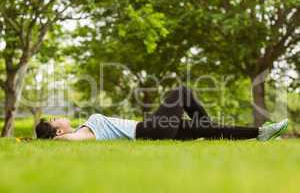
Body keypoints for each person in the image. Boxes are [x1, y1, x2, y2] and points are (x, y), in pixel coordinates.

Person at [35, 86, 288, 141]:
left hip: (156, 127)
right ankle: (207, 127)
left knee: (210, 128)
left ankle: (261, 132)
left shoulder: (83, 128)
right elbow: (68, 140)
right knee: (181, 92)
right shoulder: (81, 134)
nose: (57, 116)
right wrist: (51, 140)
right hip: (150, 129)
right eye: (54, 120)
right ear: (59, 130)